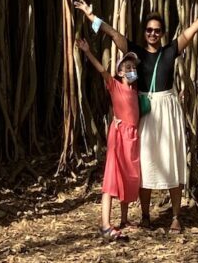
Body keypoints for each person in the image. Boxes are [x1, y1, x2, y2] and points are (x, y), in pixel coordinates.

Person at [73, 0, 198, 233]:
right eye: (149, 30)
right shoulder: (135, 51)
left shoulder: (170, 51)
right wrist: (90, 15)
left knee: (172, 161)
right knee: (144, 163)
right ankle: (145, 215)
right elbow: (112, 34)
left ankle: (176, 216)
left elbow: (192, 30)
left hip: (167, 110)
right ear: (144, 32)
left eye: (157, 30)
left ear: (163, 33)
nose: (153, 34)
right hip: (143, 111)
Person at [76, 38, 141, 242]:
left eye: (133, 67)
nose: (131, 70)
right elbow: (102, 70)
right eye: (127, 67)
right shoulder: (114, 85)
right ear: (120, 72)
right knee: (112, 178)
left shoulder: (136, 92)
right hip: (119, 135)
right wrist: (87, 51)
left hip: (133, 137)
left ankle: (123, 219)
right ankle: (105, 225)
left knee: (129, 177)